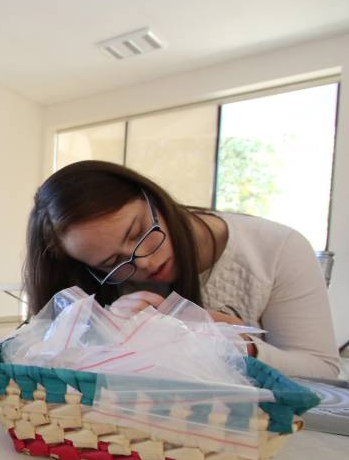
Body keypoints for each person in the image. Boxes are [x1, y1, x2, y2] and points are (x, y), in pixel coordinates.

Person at [24, 159, 339, 379]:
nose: (145, 262)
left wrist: (240, 346)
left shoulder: (276, 248)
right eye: (112, 263)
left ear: (153, 197)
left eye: (138, 232)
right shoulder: (97, 284)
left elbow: (321, 371)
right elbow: (40, 359)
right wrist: (103, 334)